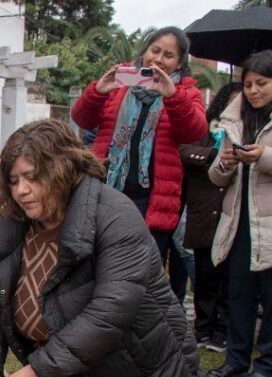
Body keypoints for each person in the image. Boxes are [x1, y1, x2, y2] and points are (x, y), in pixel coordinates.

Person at [0, 119, 210, 377]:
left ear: (63, 168)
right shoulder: (18, 222)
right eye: (14, 181)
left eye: (33, 177)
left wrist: (38, 372)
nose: (22, 190)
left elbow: (111, 311)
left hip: (134, 372)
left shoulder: (115, 215)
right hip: (72, 370)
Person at [71, 27, 207, 279]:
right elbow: (82, 118)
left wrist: (172, 96)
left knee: (140, 276)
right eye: (155, 50)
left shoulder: (186, 93)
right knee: (98, 267)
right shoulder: (120, 83)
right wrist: (98, 91)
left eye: (168, 55)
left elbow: (194, 131)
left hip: (152, 201)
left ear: (179, 63)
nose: (158, 59)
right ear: (145, 51)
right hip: (107, 192)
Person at [207, 51, 272, 377]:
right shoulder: (235, 119)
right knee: (239, 293)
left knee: (270, 296)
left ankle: (267, 366)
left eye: (262, 83)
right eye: (248, 84)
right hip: (238, 221)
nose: (253, 91)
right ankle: (235, 359)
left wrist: (263, 157)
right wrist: (227, 163)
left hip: (269, 222)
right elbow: (215, 175)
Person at [180, 83, 240, 353]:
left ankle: (223, 330)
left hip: (230, 212)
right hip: (203, 211)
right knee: (204, 274)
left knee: (228, 277)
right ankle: (204, 328)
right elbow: (185, 151)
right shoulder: (204, 128)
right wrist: (215, 155)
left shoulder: (247, 130)